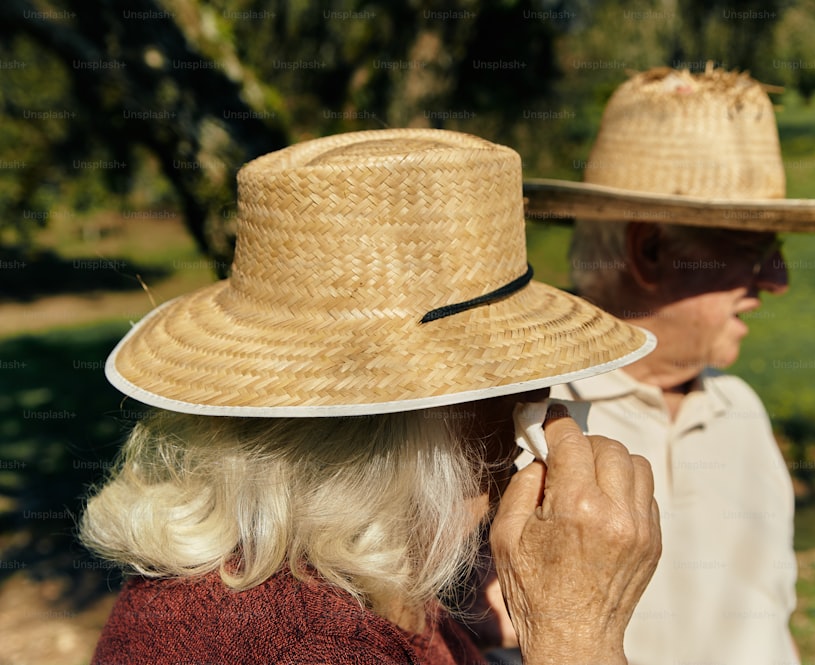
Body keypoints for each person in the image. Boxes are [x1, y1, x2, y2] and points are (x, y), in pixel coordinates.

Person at [80, 128, 661, 665]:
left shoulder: (345, 582)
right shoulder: (301, 645)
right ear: (394, 428)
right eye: (507, 377)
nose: (542, 392)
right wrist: (577, 633)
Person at [519, 66, 815, 665]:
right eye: (753, 251)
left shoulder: (740, 410)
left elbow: (769, 619)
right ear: (650, 250)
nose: (778, 281)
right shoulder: (521, 421)